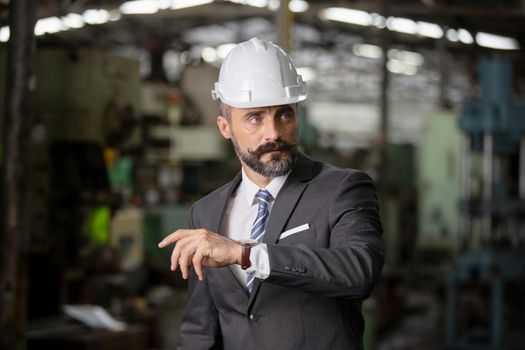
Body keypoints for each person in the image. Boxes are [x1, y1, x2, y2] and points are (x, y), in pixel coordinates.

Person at [158, 37, 384, 350]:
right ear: (225, 127)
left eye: (285, 114)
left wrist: (245, 254)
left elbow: (359, 271)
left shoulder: (342, 189)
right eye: (255, 117)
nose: (274, 133)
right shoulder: (206, 213)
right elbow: (200, 329)